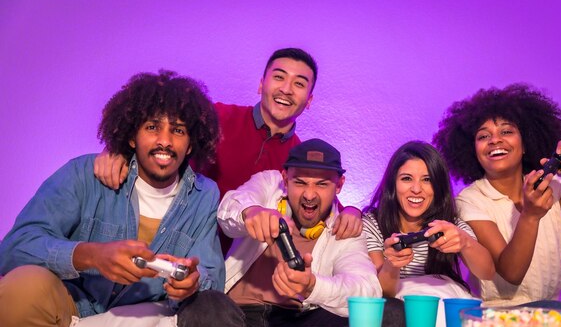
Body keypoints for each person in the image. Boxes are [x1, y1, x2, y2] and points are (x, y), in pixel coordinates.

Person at [0, 70, 225, 327]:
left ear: (191, 143)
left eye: (177, 131)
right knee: (21, 287)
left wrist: (192, 282)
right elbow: (14, 249)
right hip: (77, 316)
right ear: (132, 137)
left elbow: (211, 274)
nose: (165, 141)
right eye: (152, 127)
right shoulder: (85, 174)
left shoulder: (204, 194)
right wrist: (89, 255)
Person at [177, 138, 406, 327]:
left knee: (391, 314)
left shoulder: (343, 228)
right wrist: (252, 213)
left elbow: (367, 289)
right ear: (285, 179)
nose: (309, 195)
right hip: (239, 322)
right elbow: (230, 207)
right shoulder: (268, 185)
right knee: (203, 304)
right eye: (300, 182)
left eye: (322, 184)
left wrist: (312, 287)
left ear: (339, 185)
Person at [93, 48, 363, 247]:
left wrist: (352, 211)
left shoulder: (300, 159)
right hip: (177, 241)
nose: (287, 89)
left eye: (299, 84)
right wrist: (117, 150)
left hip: (239, 273)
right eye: (279, 77)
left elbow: (324, 203)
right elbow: (159, 135)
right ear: (261, 84)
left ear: (310, 100)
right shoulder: (215, 117)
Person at [433, 83, 561, 309]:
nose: (495, 140)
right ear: (473, 150)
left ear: (525, 145)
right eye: (484, 136)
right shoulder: (470, 200)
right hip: (500, 312)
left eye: (506, 131)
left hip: (550, 308)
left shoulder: (547, 185)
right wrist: (530, 216)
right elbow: (511, 274)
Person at [362, 141, 494, 327]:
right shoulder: (373, 223)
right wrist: (392, 264)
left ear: (438, 186)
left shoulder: (451, 225)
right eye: (407, 179)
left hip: (445, 304)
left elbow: (487, 272)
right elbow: (383, 292)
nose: (416, 189)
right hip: (399, 314)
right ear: (393, 184)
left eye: (427, 179)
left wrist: (465, 242)